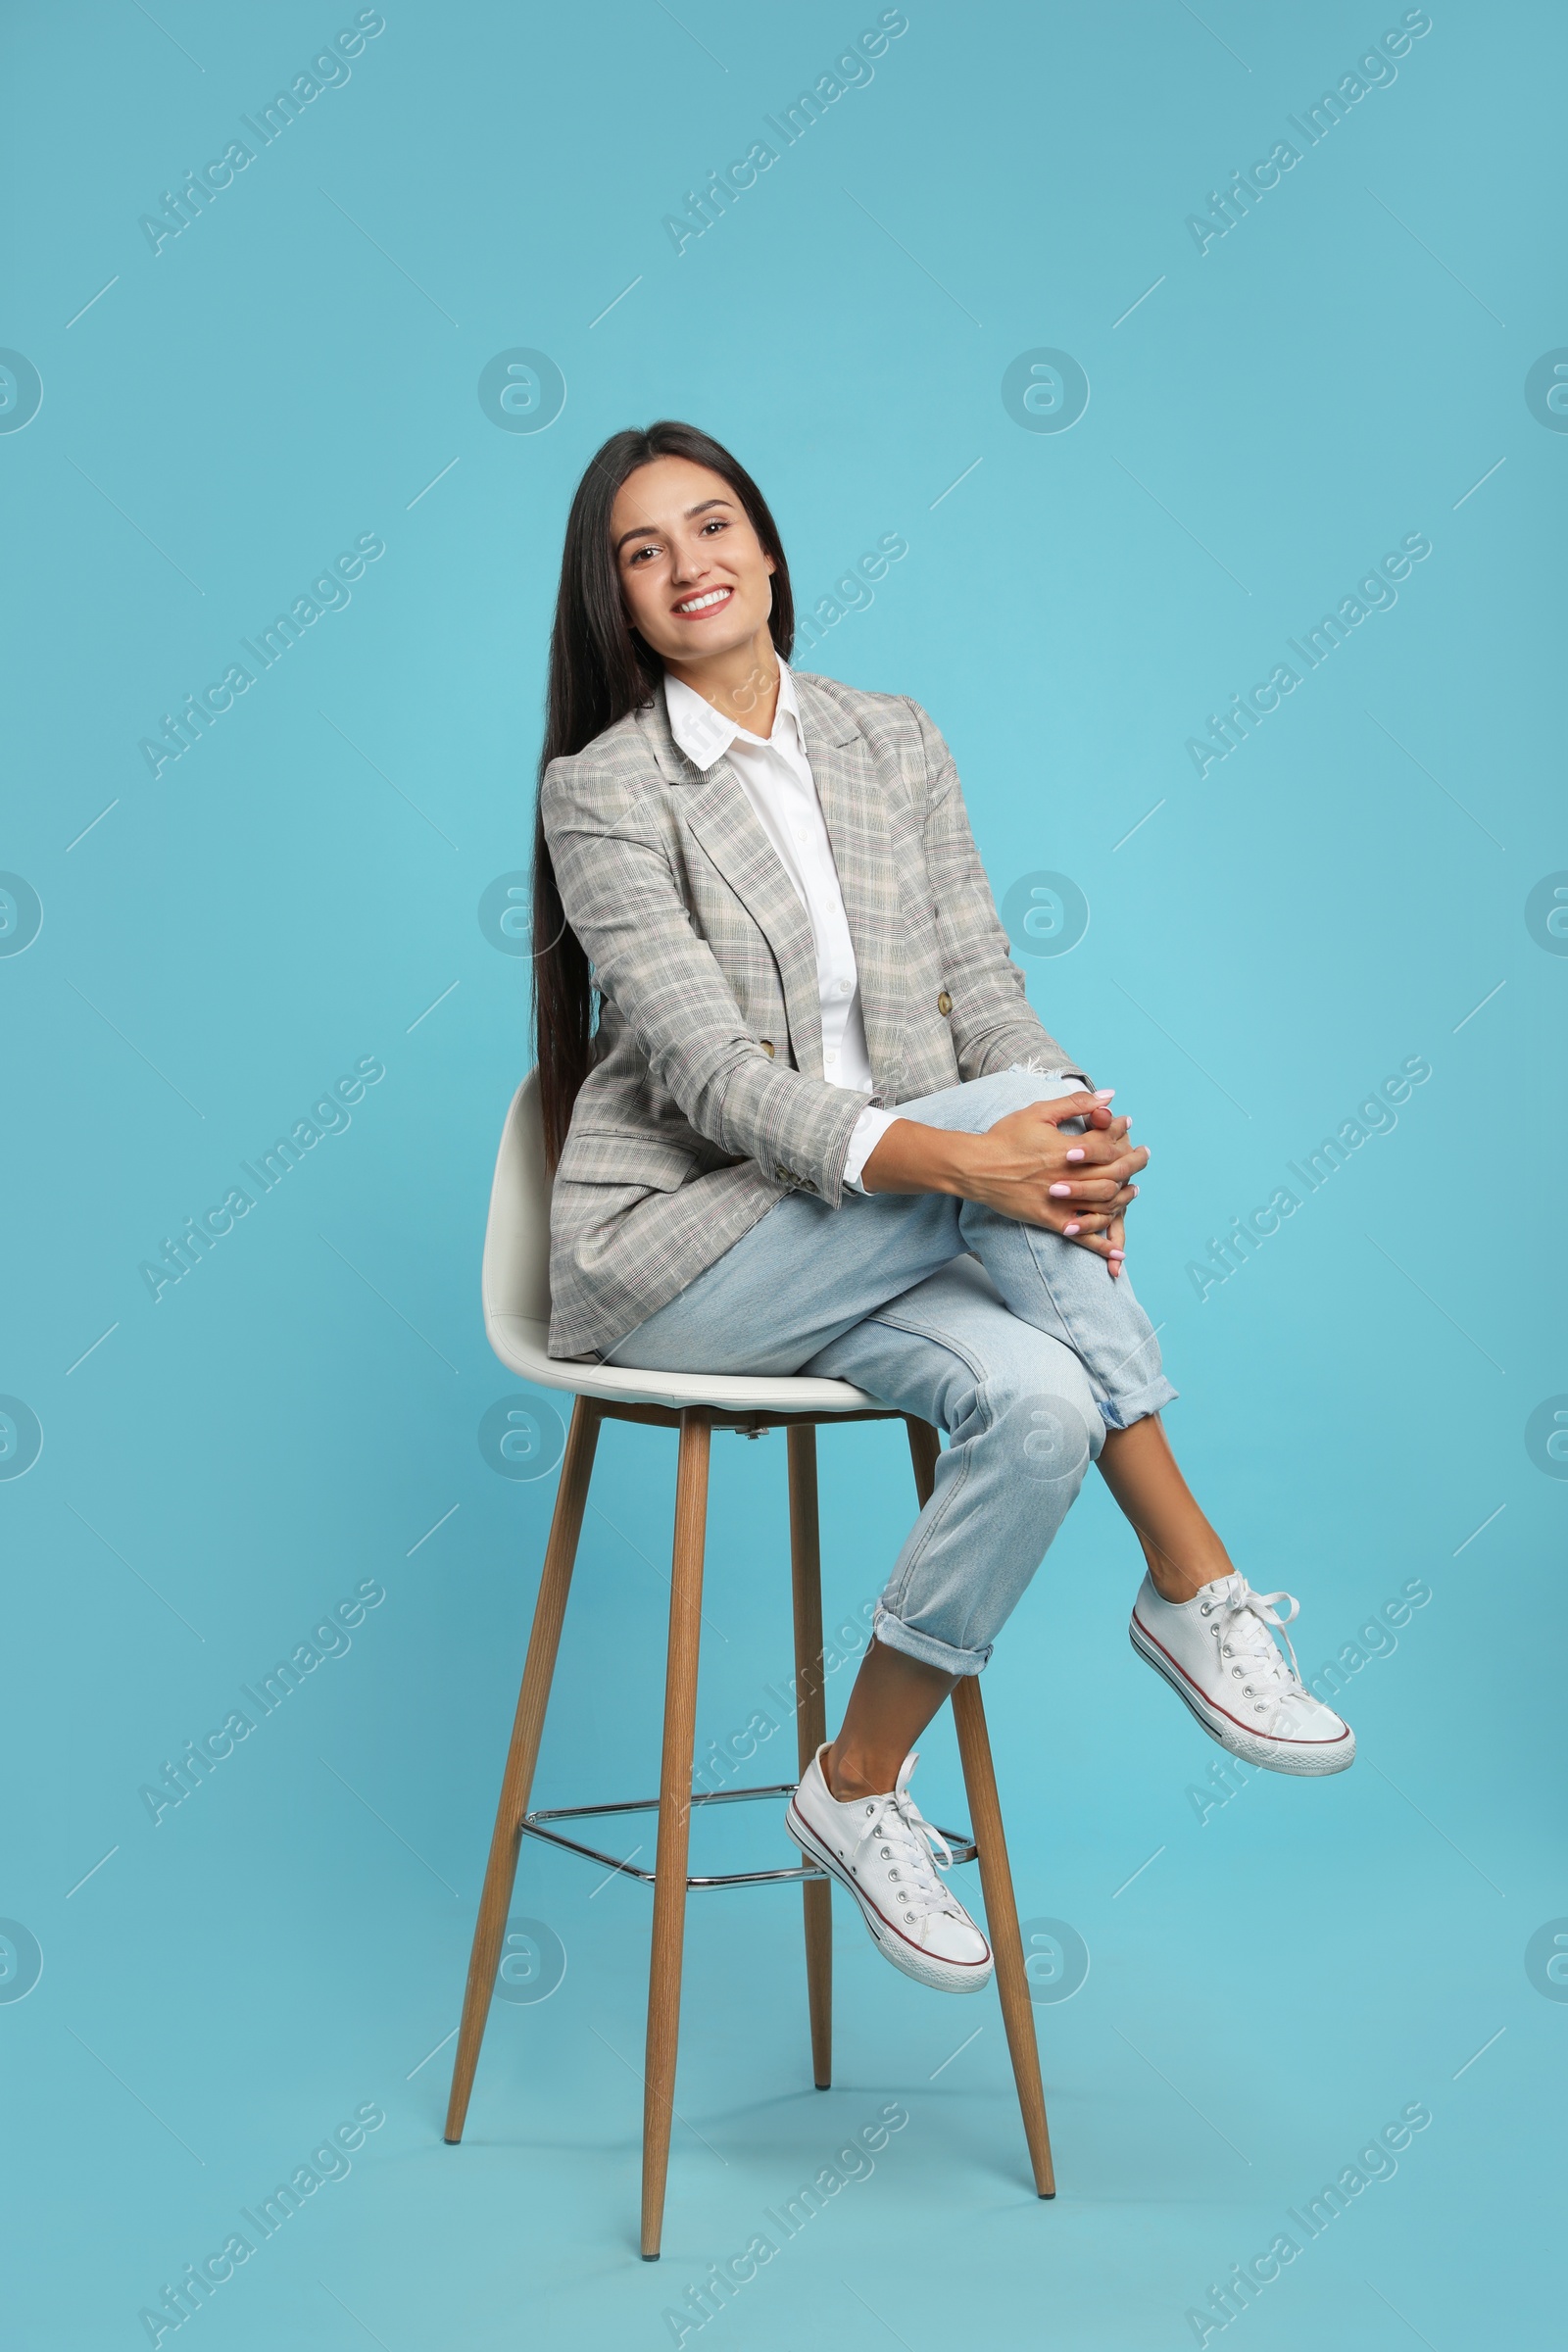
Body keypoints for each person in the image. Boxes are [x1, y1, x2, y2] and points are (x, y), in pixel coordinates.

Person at [532, 420, 1353, 1999]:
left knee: (1041, 1403)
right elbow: (710, 1078)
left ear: (769, 552)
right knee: (995, 1134)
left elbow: (988, 995)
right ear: (618, 604)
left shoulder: (892, 737)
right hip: (680, 1250)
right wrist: (979, 1162)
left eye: (714, 528)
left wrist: (1076, 1141)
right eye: (645, 551)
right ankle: (1192, 1580)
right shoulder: (605, 791)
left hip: (890, 1231)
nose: (689, 564)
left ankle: (851, 1786)